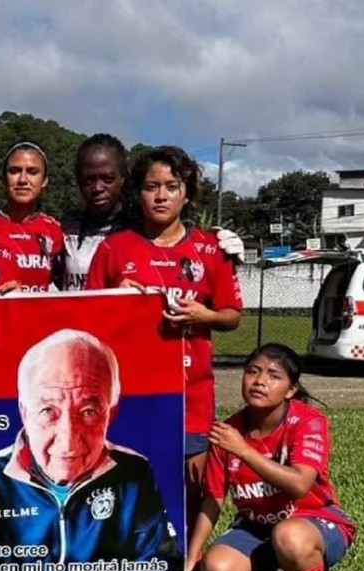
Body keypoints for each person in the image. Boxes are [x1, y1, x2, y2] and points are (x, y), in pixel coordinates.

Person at [0, 329, 179, 571]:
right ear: (24, 412)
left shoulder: (134, 472)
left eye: (88, 411)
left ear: (111, 412)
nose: (68, 441)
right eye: (48, 411)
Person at [84, 146, 244, 535]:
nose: (161, 196)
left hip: (191, 395)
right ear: (138, 193)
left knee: (190, 487)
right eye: (151, 186)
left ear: (187, 194)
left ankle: (186, 561)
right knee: (126, 481)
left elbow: (232, 315)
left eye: (171, 186)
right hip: (131, 392)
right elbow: (88, 320)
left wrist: (205, 316)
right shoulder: (114, 249)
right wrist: (115, 301)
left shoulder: (210, 249)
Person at [186, 344, 356, 571]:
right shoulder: (228, 432)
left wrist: (243, 450)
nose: (260, 381)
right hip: (256, 528)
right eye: (253, 371)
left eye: (274, 376)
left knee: (289, 536)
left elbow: (299, 485)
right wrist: (193, 557)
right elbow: (213, 498)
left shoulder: (308, 422)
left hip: (315, 522)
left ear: (291, 390)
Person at [59, 134, 245, 290]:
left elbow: (182, 240)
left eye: (107, 179)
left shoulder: (143, 225)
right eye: (88, 180)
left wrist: (219, 244)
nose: (98, 188)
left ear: (123, 178)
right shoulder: (63, 228)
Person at [0, 141, 64, 292]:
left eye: (32, 172)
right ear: (4, 178)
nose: (22, 180)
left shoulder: (55, 230)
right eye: (14, 171)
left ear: (44, 180)